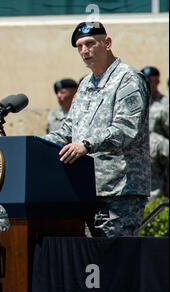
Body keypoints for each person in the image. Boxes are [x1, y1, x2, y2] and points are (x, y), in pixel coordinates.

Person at [42, 21, 151, 237]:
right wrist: (35, 144)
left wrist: (86, 145)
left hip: (119, 192)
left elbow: (126, 128)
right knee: (91, 265)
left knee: (116, 263)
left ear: (107, 43)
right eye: (80, 46)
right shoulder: (85, 85)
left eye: (90, 43)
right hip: (86, 189)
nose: (84, 51)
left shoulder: (128, 79)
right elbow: (67, 130)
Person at [141, 66, 169, 198]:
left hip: (159, 157)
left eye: (150, 81)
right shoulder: (138, 104)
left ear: (157, 81)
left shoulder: (165, 105)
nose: (147, 85)